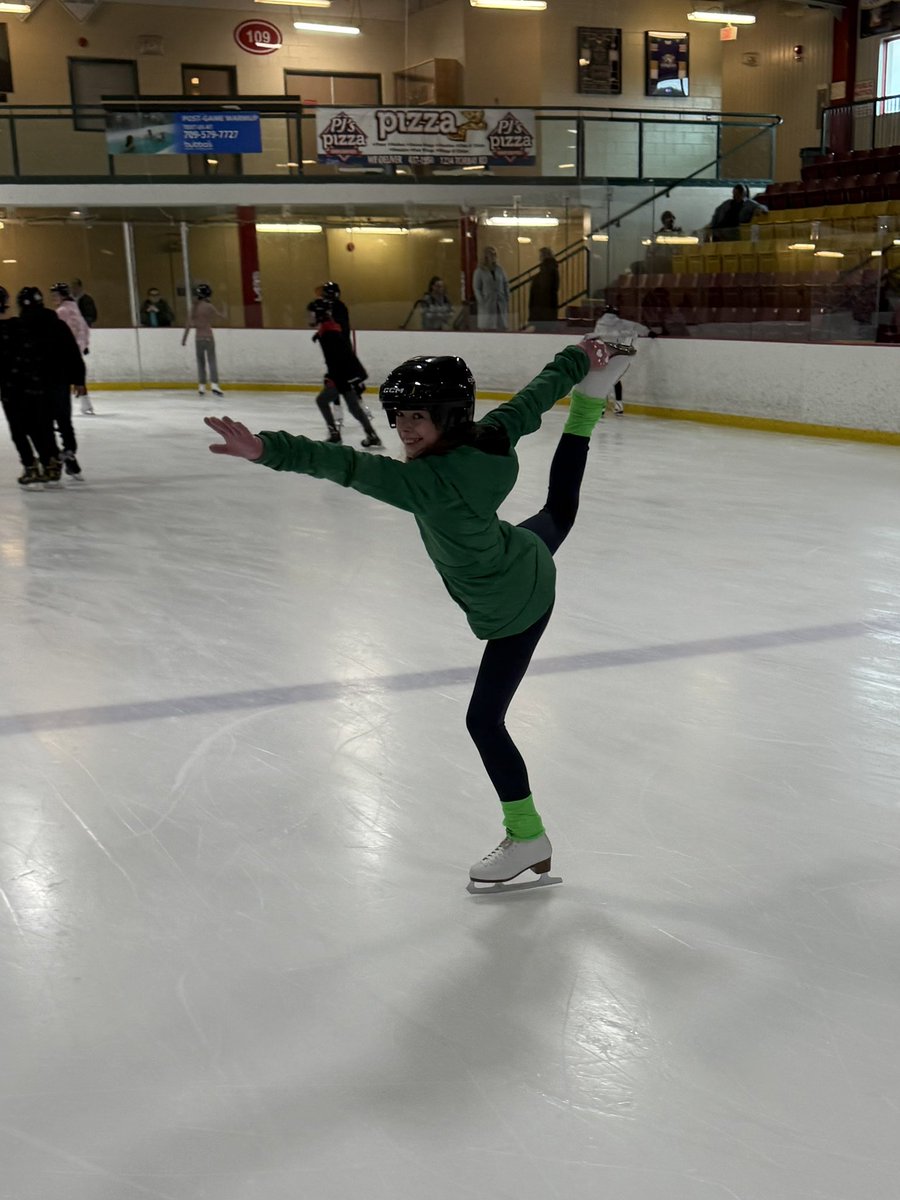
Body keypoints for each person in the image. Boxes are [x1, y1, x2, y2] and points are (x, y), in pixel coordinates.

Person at [204, 334, 628, 889]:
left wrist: (268, 450)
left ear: (449, 418)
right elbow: (533, 399)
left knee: (483, 721)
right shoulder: (492, 435)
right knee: (558, 513)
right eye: (399, 415)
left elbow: (346, 466)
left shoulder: (422, 484)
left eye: (418, 417)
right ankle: (594, 397)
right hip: (518, 554)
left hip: (515, 604)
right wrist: (577, 360)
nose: (405, 428)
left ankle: (528, 836)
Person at [1, 287, 87, 486]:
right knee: (63, 420)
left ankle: (49, 461)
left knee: (40, 425)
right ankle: (67, 454)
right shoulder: (56, 324)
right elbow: (72, 353)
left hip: (32, 384)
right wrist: (79, 380)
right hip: (57, 381)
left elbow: (15, 357)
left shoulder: (19, 327)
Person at [306, 281, 381, 448]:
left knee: (322, 401)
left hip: (342, 375)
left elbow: (341, 356)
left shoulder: (329, 333)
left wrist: (340, 377)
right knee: (353, 407)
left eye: (311, 314)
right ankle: (371, 435)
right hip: (345, 374)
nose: (309, 317)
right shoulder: (328, 330)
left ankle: (335, 434)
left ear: (318, 314)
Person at [50, 282, 94, 416]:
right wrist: (83, 345)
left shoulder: (62, 311)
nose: (53, 298)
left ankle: (59, 406)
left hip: (66, 350)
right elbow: (84, 328)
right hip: (75, 348)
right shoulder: (74, 307)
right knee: (76, 375)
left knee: (59, 378)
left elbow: (57, 332)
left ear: (62, 295)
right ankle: (85, 403)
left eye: (55, 295)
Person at [182, 283, 224, 397]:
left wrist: (184, 339)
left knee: (201, 362)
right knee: (212, 361)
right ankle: (214, 384)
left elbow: (188, 324)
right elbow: (221, 316)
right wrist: (223, 310)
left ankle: (201, 386)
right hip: (209, 337)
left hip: (198, 338)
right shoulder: (208, 306)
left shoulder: (194, 307)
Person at [472, 246, 510, 331]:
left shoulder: (500, 269)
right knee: (488, 326)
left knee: (501, 325)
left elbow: (505, 283)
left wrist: (506, 296)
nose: (494, 256)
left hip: (500, 301)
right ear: (486, 256)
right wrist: (481, 301)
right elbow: (476, 288)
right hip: (487, 302)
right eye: (491, 254)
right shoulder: (479, 271)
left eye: (495, 254)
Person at [528, 247, 560, 331]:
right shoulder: (552, 270)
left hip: (542, 313)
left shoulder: (545, 272)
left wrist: (534, 317)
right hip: (548, 311)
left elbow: (541, 294)